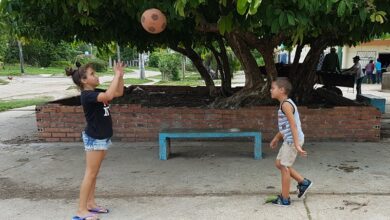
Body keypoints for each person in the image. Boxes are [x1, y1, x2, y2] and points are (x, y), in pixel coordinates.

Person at [66, 61, 125, 220]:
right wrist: (116, 75)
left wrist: (120, 77)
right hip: (95, 138)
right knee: (90, 173)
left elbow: (118, 92)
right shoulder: (87, 96)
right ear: (84, 80)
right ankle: (81, 210)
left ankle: (90, 204)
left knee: (93, 173)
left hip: (101, 137)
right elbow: (109, 96)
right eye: (92, 74)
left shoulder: (94, 92)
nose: (96, 76)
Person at [269, 78, 313, 206]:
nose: (270, 90)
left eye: (273, 88)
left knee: (284, 167)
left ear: (282, 90)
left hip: (293, 140)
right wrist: (277, 138)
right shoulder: (284, 103)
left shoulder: (286, 105)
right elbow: (286, 126)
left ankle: (285, 198)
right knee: (279, 163)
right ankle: (303, 182)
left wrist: (297, 145)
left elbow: (293, 126)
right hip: (290, 139)